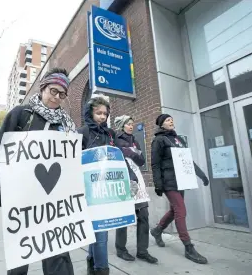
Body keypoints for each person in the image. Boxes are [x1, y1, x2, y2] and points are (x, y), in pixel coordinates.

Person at [0, 68, 76, 275]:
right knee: (19, 262)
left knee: (59, 258)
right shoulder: (21, 115)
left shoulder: (67, 125)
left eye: (62, 94)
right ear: (43, 87)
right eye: (53, 91)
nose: (56, 98)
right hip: (23, 204)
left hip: (55, 203)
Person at [150, 114, 209, 265]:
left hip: (181, 180)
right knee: (181, 211)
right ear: (161, 124)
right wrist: (158, 184)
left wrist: (201, 175)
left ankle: (157, 231)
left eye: (172, 119)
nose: (171, 121)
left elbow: (187, 160)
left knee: (174, 210)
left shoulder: (178, 140)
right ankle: (189, 247)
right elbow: (155, 164)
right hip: (169, 181)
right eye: (168, 120)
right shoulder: (159, 140)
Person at [114, 115, 158, 264]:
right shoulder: (116, 139)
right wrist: (131, 153)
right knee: (125, 217)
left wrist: (131, 153)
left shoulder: (135, 140)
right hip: (125, 180)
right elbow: (119, 157)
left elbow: (141, 160)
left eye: (132, 124)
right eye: (128, 124)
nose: (131, 126)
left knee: (143, 215)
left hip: (137, 180)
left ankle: (142, 251)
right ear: (121, 125)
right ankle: (121, 249)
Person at [78, 96, 115, 275]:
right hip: (89, 189)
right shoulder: (82, 132)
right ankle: (101, 269)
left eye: (105, 114)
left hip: (107, 188)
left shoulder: (110, 134)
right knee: (101, 232)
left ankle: (92, 264)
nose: (102, 117)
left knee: (98, 230)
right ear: (90, 112)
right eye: (98, 113)